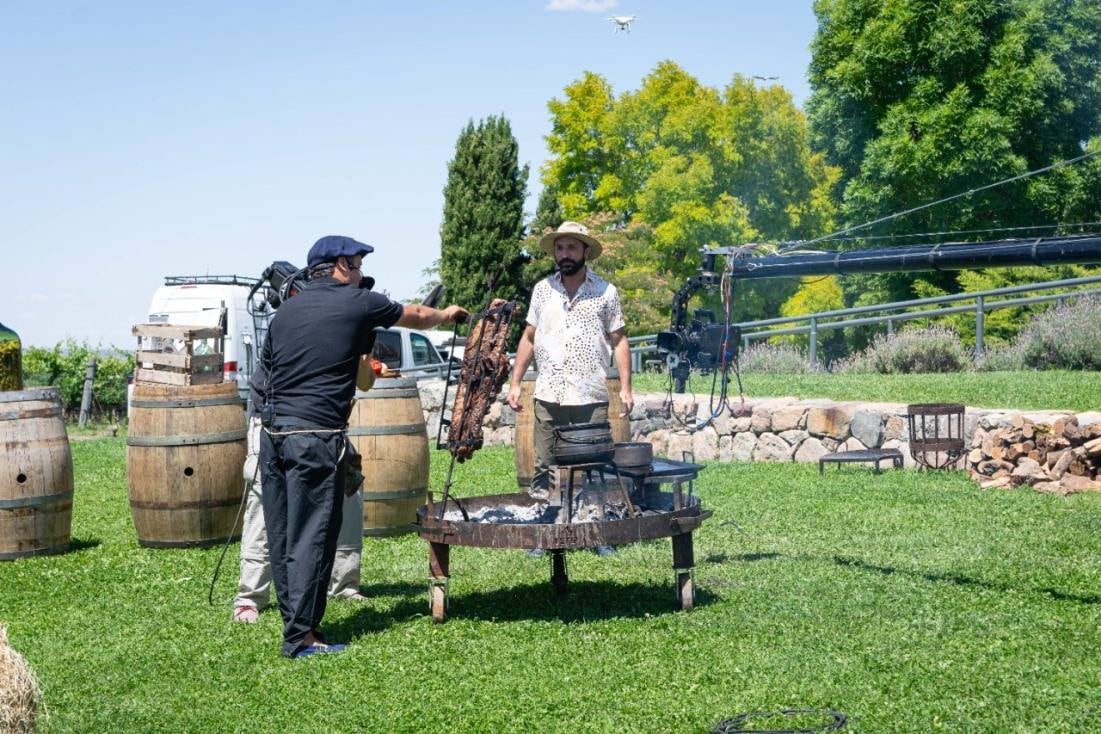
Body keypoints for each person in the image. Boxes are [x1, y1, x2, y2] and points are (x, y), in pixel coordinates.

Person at [259, 235, 467, 658]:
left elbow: (270, 374)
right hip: (316, 438)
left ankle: (296, 622)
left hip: (274, 438)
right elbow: (419, 315)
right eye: (355, 264)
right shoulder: (360, 302)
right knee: (314, 535)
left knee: (283, 534)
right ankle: (300, 638)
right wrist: (448, 313)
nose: (359, 273)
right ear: (338, 266)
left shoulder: (285, 312)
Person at [506, 222, 634, 557]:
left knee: (593, 465)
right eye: (559, 248)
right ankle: (546, 533)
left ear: (585, 252)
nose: (564, 254)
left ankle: (596, 533)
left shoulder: (606, 292)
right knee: (545, 465)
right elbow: (529, 337)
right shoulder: (542, 290)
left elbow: (619, 341)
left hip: (589, 392)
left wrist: (626, 387)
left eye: (571, 248)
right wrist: (516, 382)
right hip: (549, 393)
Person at [231, 360, 365, 624]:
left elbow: (365, 380)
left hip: (326, 425)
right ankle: (250, 597)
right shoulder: (297, 326)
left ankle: (344, 585)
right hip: (275, 423)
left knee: (350, 494)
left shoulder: (348, 329)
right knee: (264, 506)